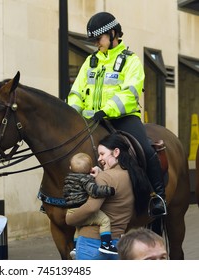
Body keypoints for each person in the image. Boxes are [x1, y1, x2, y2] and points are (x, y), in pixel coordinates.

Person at [67, 12, 166, 217]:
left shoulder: (131, 61)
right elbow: (76, 91)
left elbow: (130, 92)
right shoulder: (90, 61)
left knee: (146, 150)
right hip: (91, 119)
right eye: (93, 39)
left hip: (122, 118)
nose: (96, 43)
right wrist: (72, 114)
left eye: (98, 38)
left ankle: (157, 197)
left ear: (113, 34)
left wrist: (107, 110)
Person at [65, 132, 152, 260]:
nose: (99, 159)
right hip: (116, 243)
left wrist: (69, 219)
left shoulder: (105, 177)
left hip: (91, 244)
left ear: (116, 152)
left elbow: (91, 207)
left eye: (102, 154)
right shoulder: (133, 176)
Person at [64, 153, 117, 257]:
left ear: (70, 168)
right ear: (90, 169)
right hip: (82, 208)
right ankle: (106, 245)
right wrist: (109, 190)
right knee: (104, 220)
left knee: (78, 227)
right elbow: (95, 191)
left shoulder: (67, 179)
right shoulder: (86, 179)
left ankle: (75, 247)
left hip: (71, 210)